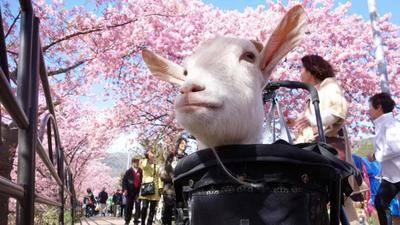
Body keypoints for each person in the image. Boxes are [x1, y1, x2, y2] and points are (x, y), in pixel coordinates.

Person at [288, 55, 360, 224]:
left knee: (340, 195)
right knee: (339, 197)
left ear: (311, 70)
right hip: (321, 148)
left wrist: (311, 120)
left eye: (302, 68)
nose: (299, 72)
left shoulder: (329, 86)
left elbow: (338, 112)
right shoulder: (320, 89)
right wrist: (298, 121)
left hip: (328, 148)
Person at [367, 92, 400, 225]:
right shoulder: (383, 124)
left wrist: (375, 156)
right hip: (392, 175)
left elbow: (395, 147)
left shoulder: (390, 124)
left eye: (371, 107)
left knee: (380, 202)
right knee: (380, 202)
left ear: (379, 106)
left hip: (396, 174)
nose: (369, 110)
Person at [161, 137, 188, 225]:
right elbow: (167, 167)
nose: (184, 146)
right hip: (169, 186)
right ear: (178, 144)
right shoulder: (171, 156)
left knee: (179, 208)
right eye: (182, 144)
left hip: (181, 186)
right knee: (168, 208)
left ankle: (179, 223)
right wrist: (173, 177)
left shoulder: (186, 156)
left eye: (185, 144)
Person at [139, 149, 163, 225]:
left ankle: (149, 223)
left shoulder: (157, 166)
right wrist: (147, 156)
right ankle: (143, 222)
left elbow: (159, 177)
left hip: (155, 189)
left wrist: (160, 188)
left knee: (153, 208)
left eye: (153, 155)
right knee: (144, 207)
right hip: (146, 187)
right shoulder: (144, 163)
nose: (152, 157)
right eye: (150, 155)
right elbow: (143, 165)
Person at [123, 157, 143, 225]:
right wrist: (125, 189)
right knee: (129, 207)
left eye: (138, 161)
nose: (137, 163)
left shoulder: (140, 171)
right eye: (135, 162)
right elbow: (124, 181)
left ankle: (136, 221)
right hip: (129, 192)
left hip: (138, 192)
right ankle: (127, 220)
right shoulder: (128, 171)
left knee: (138, 206)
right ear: (132, 163)